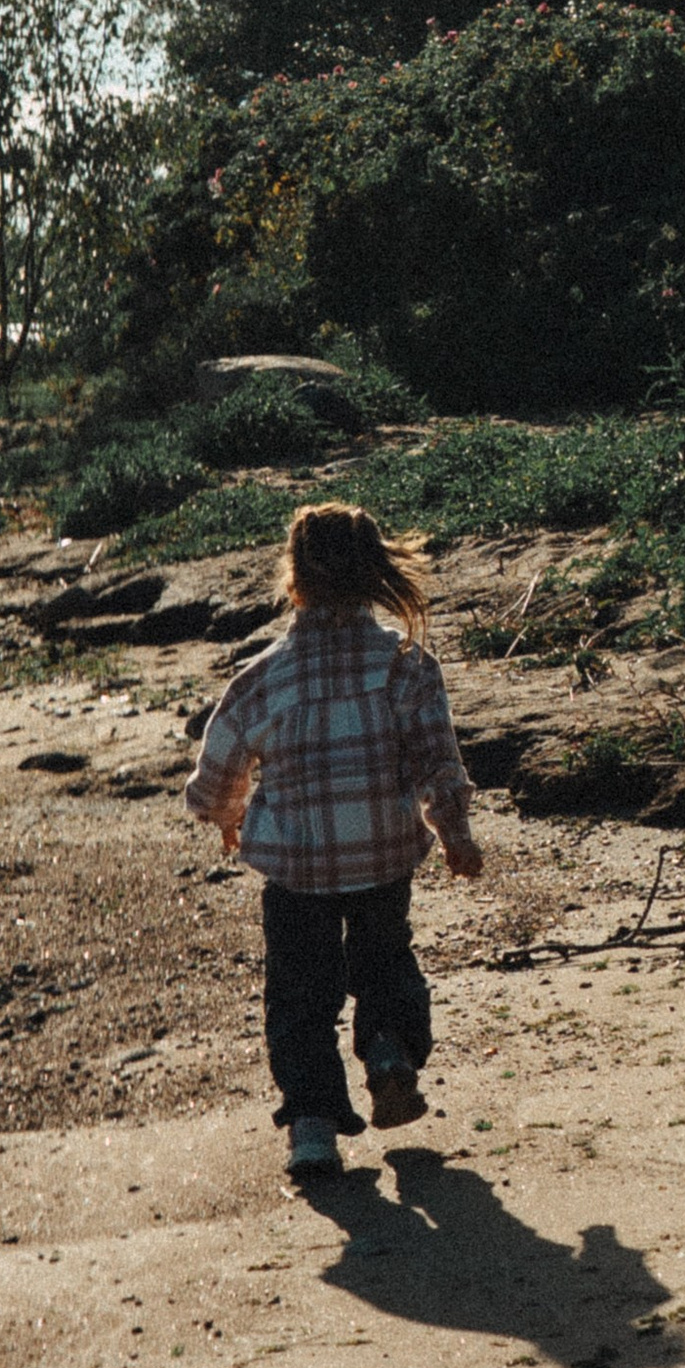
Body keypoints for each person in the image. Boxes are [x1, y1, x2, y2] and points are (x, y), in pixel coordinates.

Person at [184, 499, 483, 1177]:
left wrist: (226, 815)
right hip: (382, 854)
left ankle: (314, 1128)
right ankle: (388, 1052)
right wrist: (455, 831)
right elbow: (437, 761)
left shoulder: (264, 678)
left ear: (293, 584)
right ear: (377, 576)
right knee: (385, 963)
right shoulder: (406, 666)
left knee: (300, 998)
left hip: (298, 869)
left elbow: (219, 765)